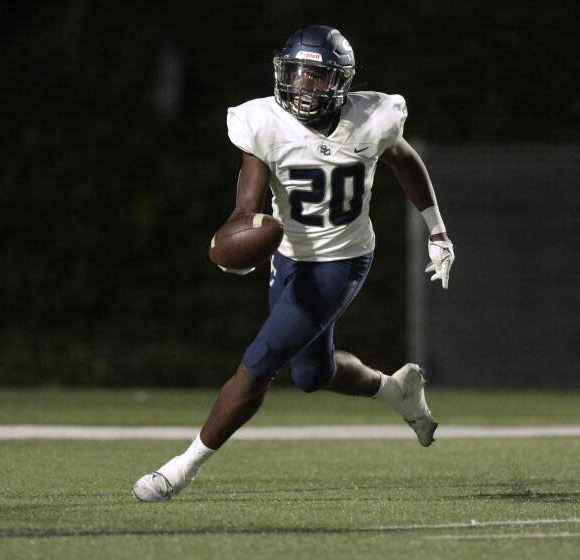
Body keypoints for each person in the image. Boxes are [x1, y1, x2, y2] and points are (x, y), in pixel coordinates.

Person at [133, 25, 454, 502]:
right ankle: (397, 390)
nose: (303, 85)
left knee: (260, 361)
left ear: (340, 82)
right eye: (296, 73)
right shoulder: (263, 122)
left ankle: (182, 468)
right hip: (287, 260)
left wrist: (438, 229)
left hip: (340, 262)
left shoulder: (373, 116)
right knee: (312, 375)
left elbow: (404, 161)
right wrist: (240, 242)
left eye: (317, 76)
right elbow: (246, 208)